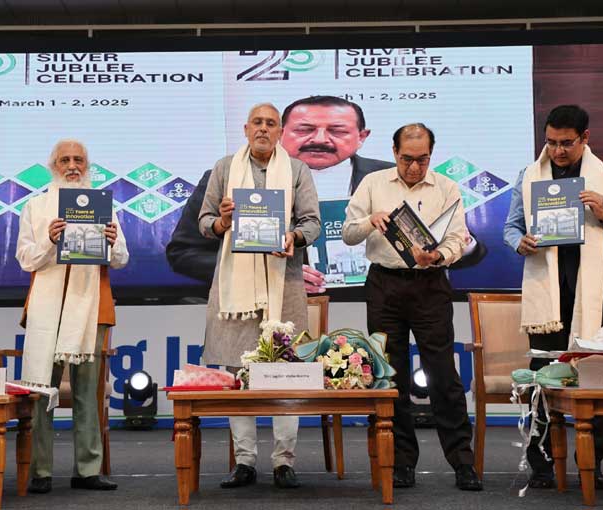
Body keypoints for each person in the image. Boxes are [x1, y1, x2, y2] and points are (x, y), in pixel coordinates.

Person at [503, 104, 603, 490]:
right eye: (550, 142)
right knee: (543, 377)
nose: (557, 151)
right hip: (546, 295)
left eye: (566, 143)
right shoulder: (529, 176)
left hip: (593, 292)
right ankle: (542, 464)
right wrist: (522, 243)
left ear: (585, 139)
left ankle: (590, 464)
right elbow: (510, 229)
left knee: (591, 376)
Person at [342, 123, 483, 491]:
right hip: (384, 285)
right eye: (408, 159)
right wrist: (368, 221)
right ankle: (402, 462)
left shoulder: (447, 187)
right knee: (392, 375)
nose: (415, 168)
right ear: (394, 152)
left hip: (430, 284)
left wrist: (438, 254)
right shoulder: (373, 184)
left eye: (422, 160)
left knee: (443, 376)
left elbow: (458, 238)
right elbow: (347, 232)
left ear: (430, 156)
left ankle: (462, 462)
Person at [198, 103, 321, 489]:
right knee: (238, 371)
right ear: (246, 128)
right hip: (234, 290)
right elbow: (204, 224)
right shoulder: (223, 168)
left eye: (271, 123)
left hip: (283, 284)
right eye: (258, 123)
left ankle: (284, 461)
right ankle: (246, 461)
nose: (264, 129)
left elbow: (312, 222)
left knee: (286, 373)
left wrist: (294, 237)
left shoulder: (297, 170)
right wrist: (222, 221)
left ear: (281, 131)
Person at [167, 96, 392, 292]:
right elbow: (184, 253)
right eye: (304, 130)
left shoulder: (386, 177)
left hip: (361, 301)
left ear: (362, 136)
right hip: (250, 298)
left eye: (337, 130)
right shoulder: (225, 175)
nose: (320, 139)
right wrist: (257, 273)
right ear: (284, 134)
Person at [15, 139, 128, 494]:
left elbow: (122, 258)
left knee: (86, 393)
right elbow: (25, 260)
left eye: (79, 159)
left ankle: (88, 469)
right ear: (53, 166)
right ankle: (41, 471)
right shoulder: (35, 207)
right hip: (46, 309)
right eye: (65, 160)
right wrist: (50, 240)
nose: (72, 165)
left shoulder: (103, 207)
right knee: (41, 390)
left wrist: (111, 243)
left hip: (90, 309)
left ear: (88, 165)